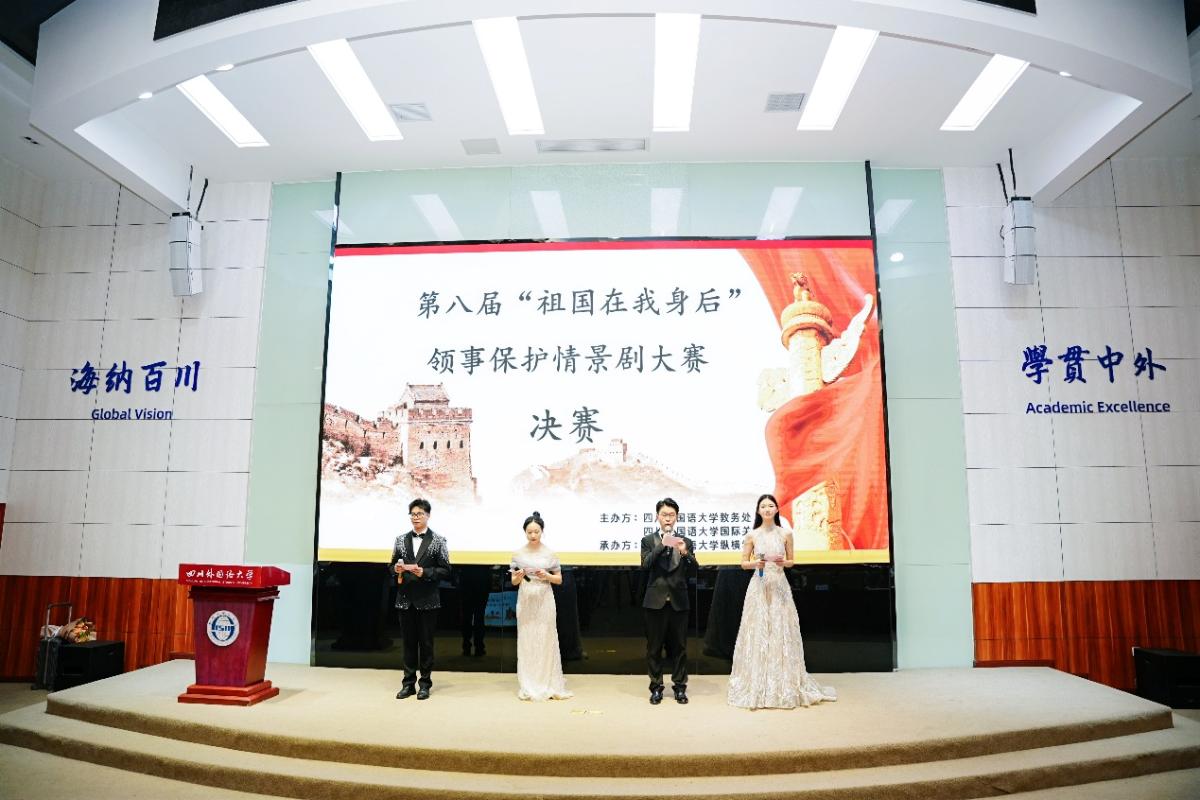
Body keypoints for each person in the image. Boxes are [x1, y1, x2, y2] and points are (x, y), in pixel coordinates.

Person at [727, 494, 836, 709]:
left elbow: (791, 562)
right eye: (763, 506)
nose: (767, 509)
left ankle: (783, 685)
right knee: (759, 630)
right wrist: (756, 564)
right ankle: (758, 684)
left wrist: (783, 562)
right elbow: (743, 563)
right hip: (759, 587)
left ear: (777, 509)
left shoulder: (786, 533)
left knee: (781, 628)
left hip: (779, 585)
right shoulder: (752, 535)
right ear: (758, 511)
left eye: (771, 505)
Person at [389, 498, 451, 700]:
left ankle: (425, 684)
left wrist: (425, 572)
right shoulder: (400, 539)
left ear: (428, 516)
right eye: (413, 514)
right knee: (408, 644)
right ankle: (408, 684)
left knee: (426, 644)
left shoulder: (438, 540)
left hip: (428, 599)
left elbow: (446, 570)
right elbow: (391, 566)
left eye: (420, 514)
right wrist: (395, 569)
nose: (416, 517)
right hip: (405, 598)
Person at [510, 511, 573, 701]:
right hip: (526, 598)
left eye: (536, 532)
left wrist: (546, 576)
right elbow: (514, 581)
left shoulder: (550, 554)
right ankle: (529, 682)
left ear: (542, 531)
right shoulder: (518, 554)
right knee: (527, 639)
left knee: (545, 637)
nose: (533, 535)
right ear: (525, 532)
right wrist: (519, 576)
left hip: (544, 598)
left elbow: (559, 579)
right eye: (529, 532)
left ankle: (547, 681)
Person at [640, 497, 696, 705]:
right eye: (664, 515)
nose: (668, 519)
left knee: (679, 647)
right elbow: (646, 565)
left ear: (677, 517)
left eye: (672, 515)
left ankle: (680, 687)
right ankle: (656, 688)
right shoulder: (648, 540)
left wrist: (685, 552)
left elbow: (694, 569)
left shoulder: (685, 541)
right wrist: (662, 544)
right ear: (657, 517)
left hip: (679, 601)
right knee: (654, 648)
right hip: (655, 601)